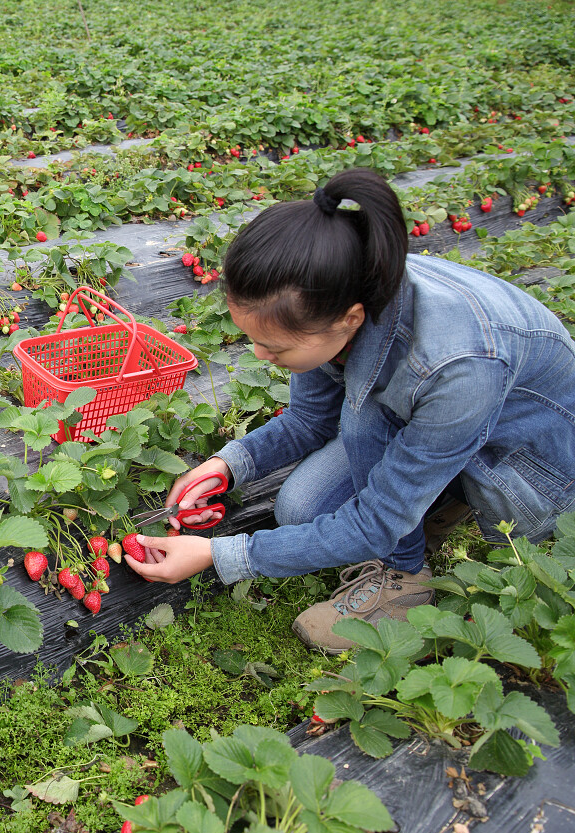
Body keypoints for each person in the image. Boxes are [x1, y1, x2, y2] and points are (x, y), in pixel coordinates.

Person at [124, 167, 575, 653]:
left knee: (362, 425)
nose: (258, 356)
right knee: (302, 508)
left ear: (349, 320)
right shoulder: (336, 292)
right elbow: (308, 420)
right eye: (252, 341)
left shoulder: (457, 366)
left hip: (523, 471)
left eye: (274, 348)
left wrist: (219, 554)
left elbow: (375, 522)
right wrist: (228, 465)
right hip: (441, 428)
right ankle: (430, 496)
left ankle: (405, 578)